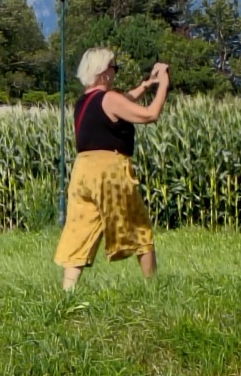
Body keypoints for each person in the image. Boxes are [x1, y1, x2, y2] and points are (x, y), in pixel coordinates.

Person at [55, 50, 170, 291]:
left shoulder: (83, 102)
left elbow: (123, 101)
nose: (115, 72)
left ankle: (67, 292)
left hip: (82, 171)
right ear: (103, 72)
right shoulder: (109, 99)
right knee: (139, 226)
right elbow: (150, 115)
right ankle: (153, 288)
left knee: (80, 228)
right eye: (114, 68)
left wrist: (145, 86)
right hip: (109, 170)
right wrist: (164, 86)